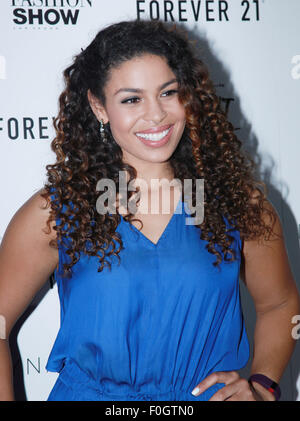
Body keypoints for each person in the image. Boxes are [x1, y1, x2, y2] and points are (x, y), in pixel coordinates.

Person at [0, 19, 299, 402]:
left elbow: (280, 303)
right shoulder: (58, 212)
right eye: (131, 99)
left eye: (168, 92)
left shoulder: (237, 202)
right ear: (99, 106)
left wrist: (264, 383)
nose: (156, 115)